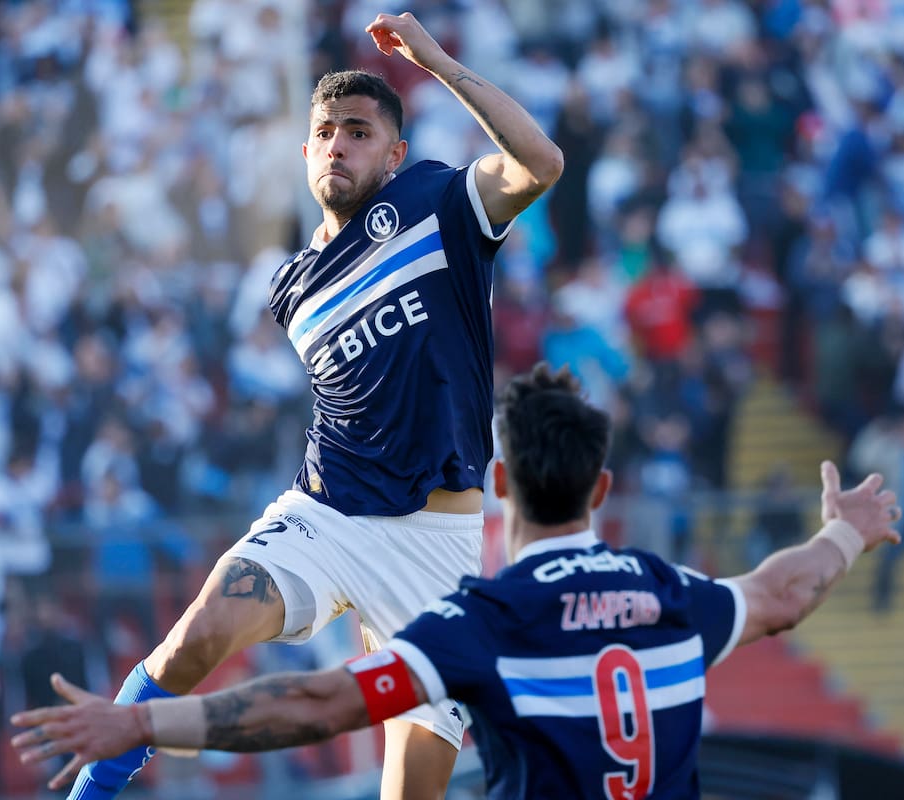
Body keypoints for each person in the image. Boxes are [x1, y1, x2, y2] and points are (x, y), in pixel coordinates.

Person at [62, 11, 564, 800]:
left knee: (413, 791)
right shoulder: (289, 286)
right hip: (328, 511)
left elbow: (539, 161)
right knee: (198, 636)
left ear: (394, 154)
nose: (339, 143)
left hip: (438, 542)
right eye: (327, 131)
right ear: (305, 153)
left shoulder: (438, 203)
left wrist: (433, 61)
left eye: (360, 131)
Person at [13, 364, 902, 799]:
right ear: (603, 489)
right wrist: (845, 529)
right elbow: (787, 593)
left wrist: (137, 720)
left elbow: (321, 703)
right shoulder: (675, 598)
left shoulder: (485, 623)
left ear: (501, 485)